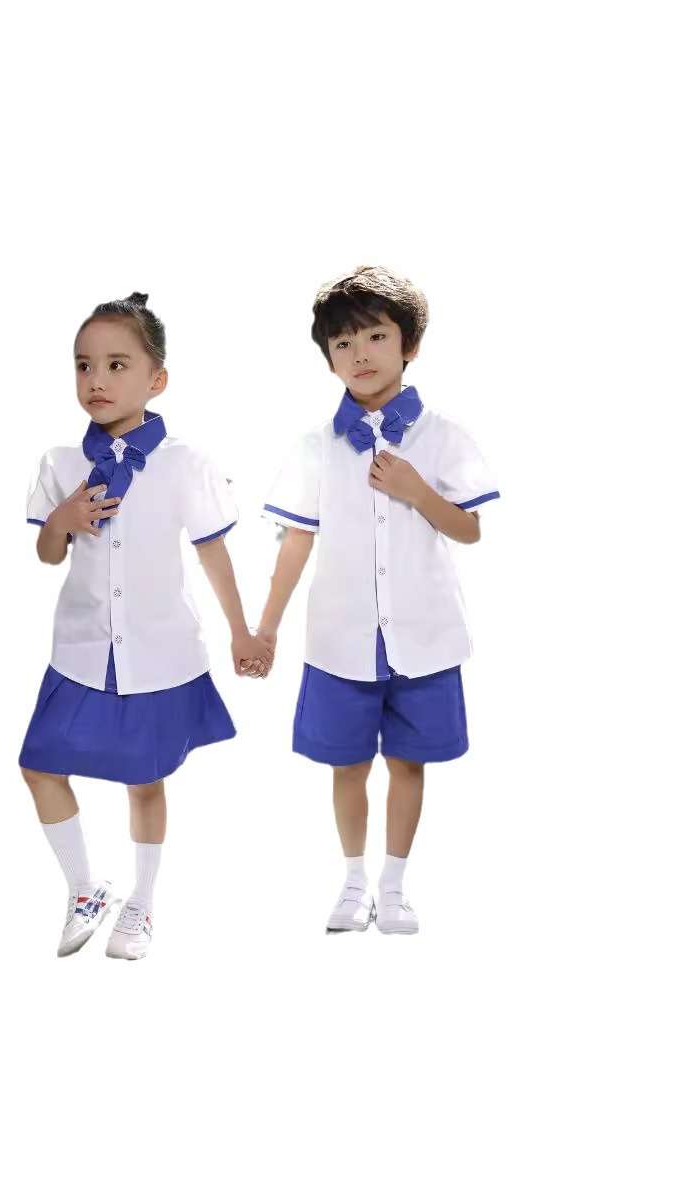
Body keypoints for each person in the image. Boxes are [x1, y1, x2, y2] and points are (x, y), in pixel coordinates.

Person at [21, 292, 271, 960]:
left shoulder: (185, 463)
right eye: (83, 365)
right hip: (80, 651)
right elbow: (48, 554)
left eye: (116, 365)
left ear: (157, 380)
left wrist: (242, 631)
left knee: (145, 779)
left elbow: (212, 552)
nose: (96, 380)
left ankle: (143, 900)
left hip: (159, 651)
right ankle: (85, 887)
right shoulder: (60, 463)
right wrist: (61, 521)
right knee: (39, 765)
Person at [256, 266, 499, 935]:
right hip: (341, 637)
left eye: (375, 336)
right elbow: (296, 543)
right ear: (328, 358)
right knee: (347, 764)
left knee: (408, 762)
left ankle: (394, 886)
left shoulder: (444, 437)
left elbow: (470, 529)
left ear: (409, 345)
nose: (359, 353)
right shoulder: (316, 447)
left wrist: (418, 491)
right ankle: (353, 880)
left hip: (425, 634)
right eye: (342, 343)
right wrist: (267, 627)